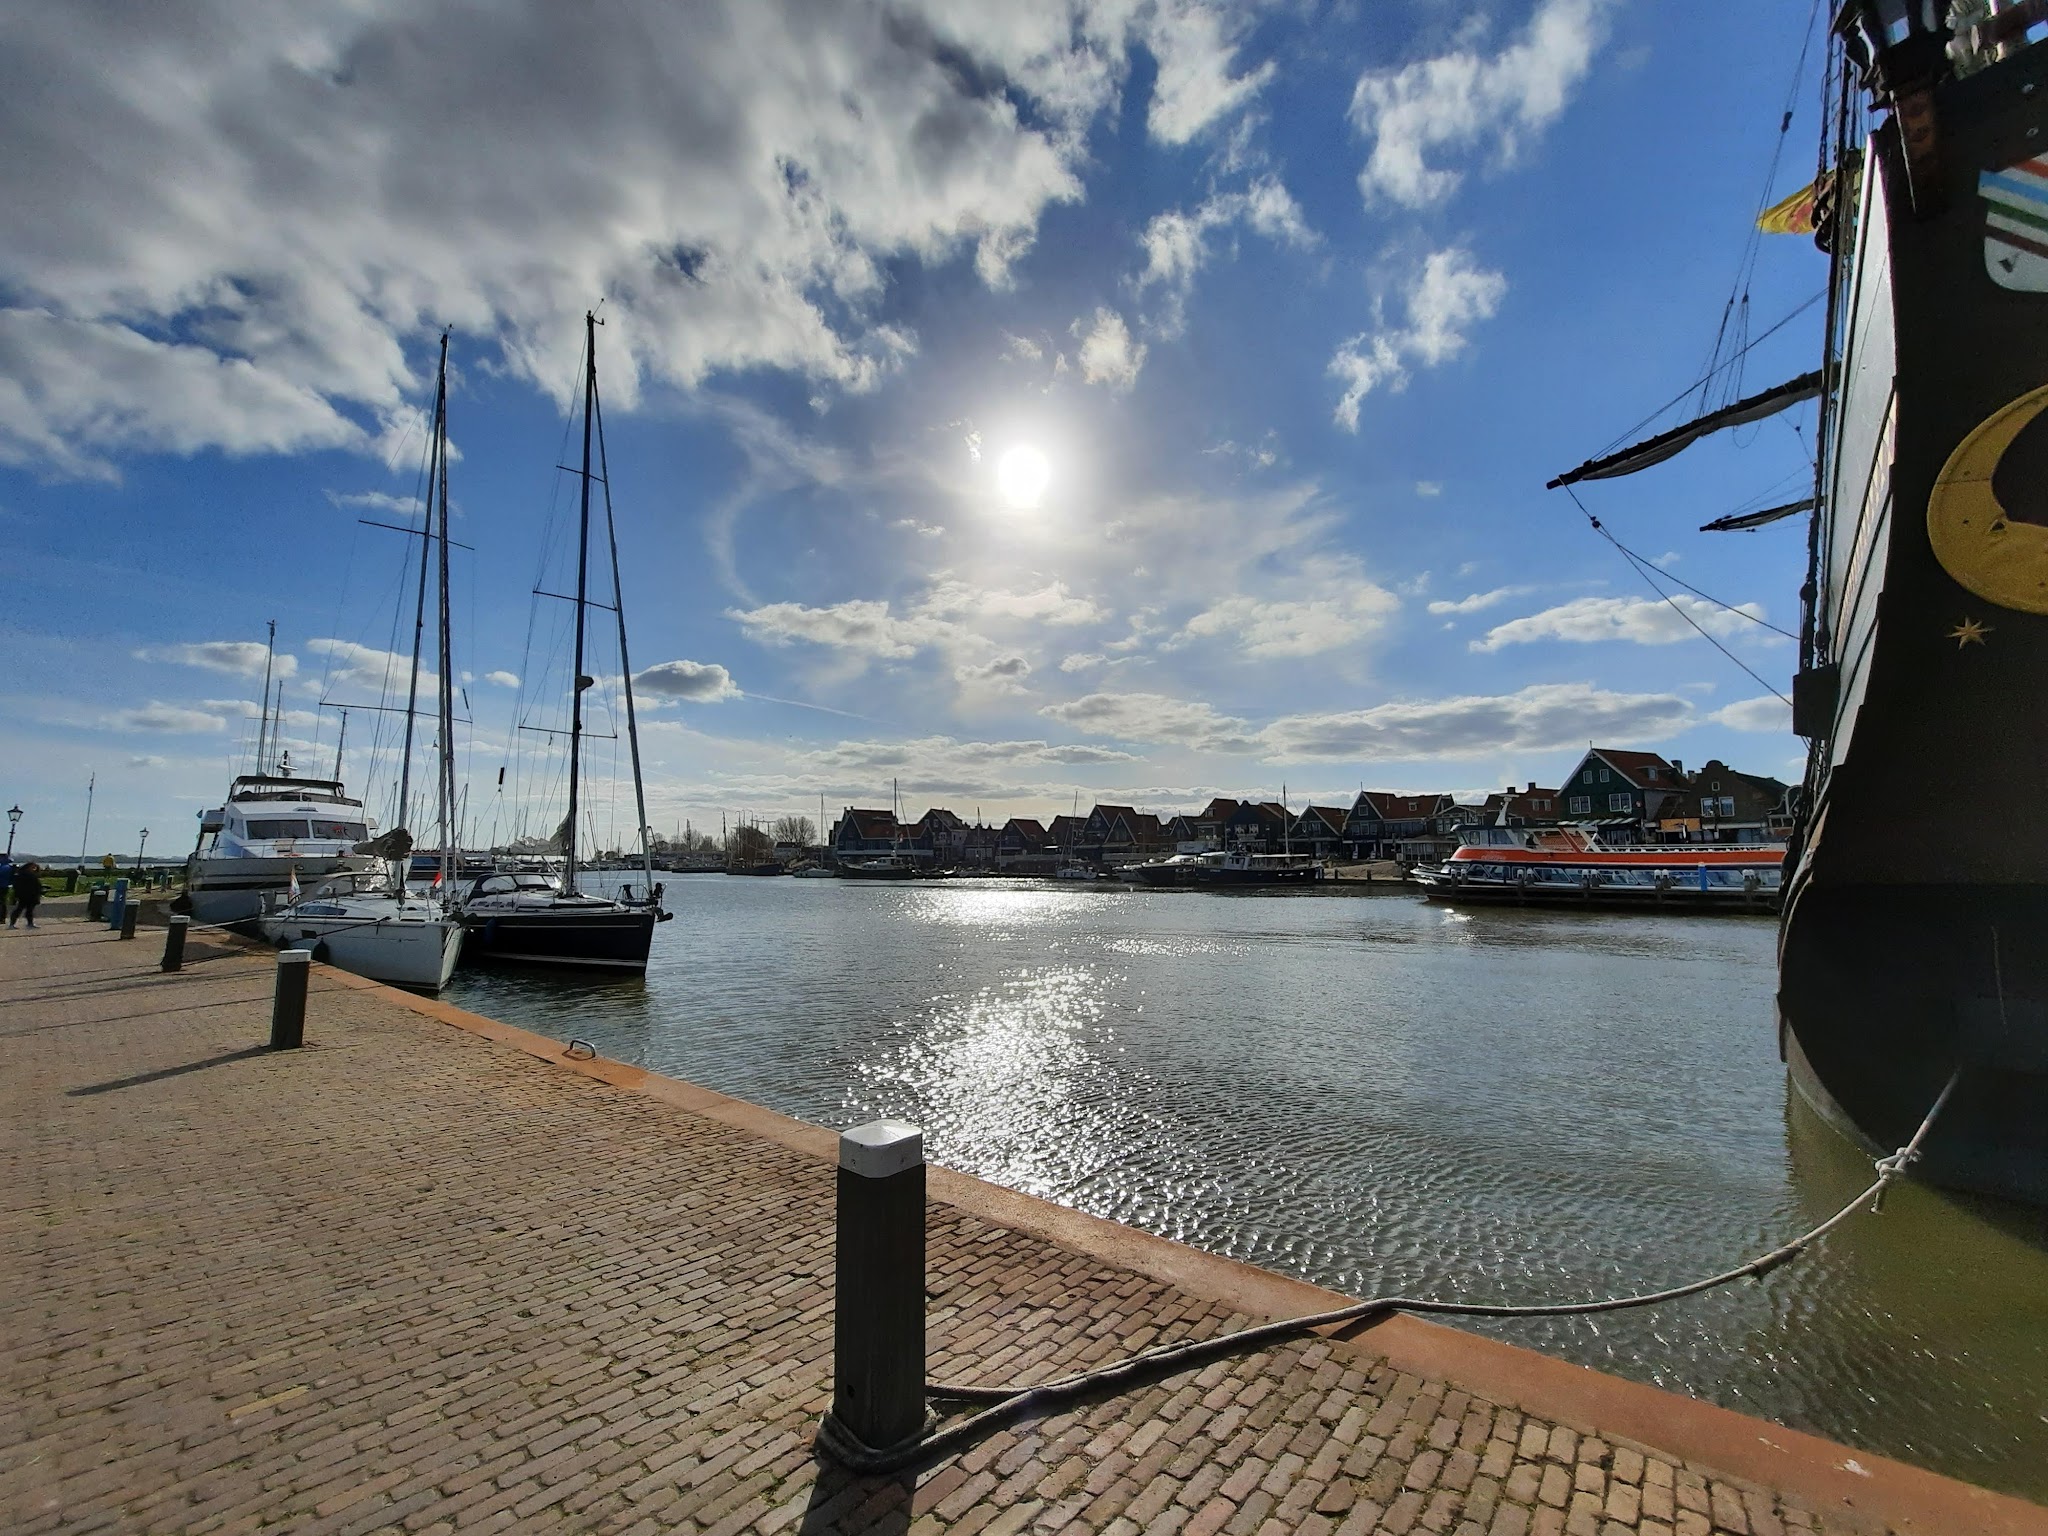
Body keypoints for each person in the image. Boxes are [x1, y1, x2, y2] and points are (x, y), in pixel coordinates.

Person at [9, 860, 41, 928]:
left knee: (28, 910)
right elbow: (18, 886)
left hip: (30, 895)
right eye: (32, 867)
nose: (34, 869)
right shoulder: (23, 875)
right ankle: (12, 924)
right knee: (20, 909)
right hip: (25, 895)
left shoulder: (26, 874)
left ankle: (29, 923)